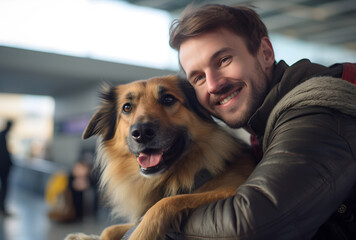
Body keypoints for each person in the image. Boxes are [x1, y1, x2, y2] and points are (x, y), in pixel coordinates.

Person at [167, 4, 356, 240]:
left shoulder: (317, 109)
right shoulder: (265, 128)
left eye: (224, 60)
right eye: (198, 77)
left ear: (265, 53)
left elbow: (251, 225)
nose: (214, 85)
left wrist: (161, 219)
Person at [0, 120, 13, 217]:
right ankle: (2, 207)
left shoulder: (3, 135)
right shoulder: (3, 136)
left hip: (4, 166)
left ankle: (2, 207)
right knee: (4, 187)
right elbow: (4, 153)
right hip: (3, 166)